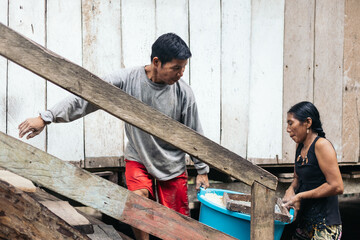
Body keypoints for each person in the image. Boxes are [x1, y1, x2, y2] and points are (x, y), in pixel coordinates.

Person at [18, 33, 210, 240]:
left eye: (183, 68)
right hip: (139, 156)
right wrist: (46, 118)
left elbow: (195, 134)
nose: (181, 73)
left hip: (171, 163)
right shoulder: (127, 80)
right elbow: (86, 96)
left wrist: (202, 170)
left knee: (178, 226)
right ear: (156, 62)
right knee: (137, 202)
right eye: (176, 68)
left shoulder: (184, 93)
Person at [282, 101, 343, 240]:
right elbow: (297, 178)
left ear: (308, 122)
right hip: (305, 223)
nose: (287, 129)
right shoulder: (300, 145)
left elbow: (337, 186)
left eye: (291, 123)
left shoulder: (322, 145)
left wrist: (300, 196)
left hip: (325, 225)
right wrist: (291, 190)